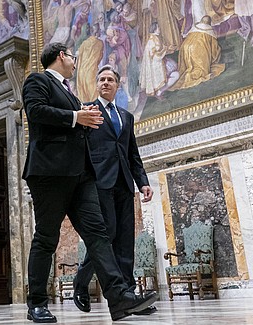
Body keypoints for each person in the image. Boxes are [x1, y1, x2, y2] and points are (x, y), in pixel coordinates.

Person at [21, 42, 158, 323]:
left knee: (98, 236)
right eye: (73, 57)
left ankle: (119, 298)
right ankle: (36, 303)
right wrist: (76, 117)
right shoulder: (39, 80)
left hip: (82, 177)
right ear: (61, 57)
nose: (75, 63)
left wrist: (81, 120)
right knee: (47, 238)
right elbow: (35, 112)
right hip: (50, 174)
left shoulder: (71, 94)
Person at [72, 65, 155, 315]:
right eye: (102, 79)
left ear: (117, 86)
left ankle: (129, 297)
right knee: (106, 235)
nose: (105, 83)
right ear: (97, 84)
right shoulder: (87, 111)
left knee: (124, 240)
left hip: (124, 183)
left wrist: (143, 182)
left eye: (110, 80)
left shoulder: (126, 116)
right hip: (98, 182)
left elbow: (132, 153)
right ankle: (81, 281)